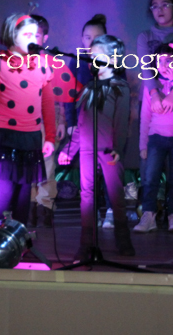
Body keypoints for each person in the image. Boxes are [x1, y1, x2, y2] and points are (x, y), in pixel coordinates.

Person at [58, 35, 135, 259]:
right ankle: (87, 242)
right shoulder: (88, 88)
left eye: (97, 55)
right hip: (87, 150)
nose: (92, 59)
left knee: (115, 193)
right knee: (87, 195)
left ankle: (123, 239)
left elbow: (121, 122)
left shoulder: (119, 87)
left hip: (108, 149)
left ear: (113, 59)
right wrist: (69, 150)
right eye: (90, 56)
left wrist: (117, 147)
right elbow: (82, 123)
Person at [0, 13, 55, 224]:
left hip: (30, 134)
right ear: (12, 35)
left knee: (25, 186)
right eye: (27, 34)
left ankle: (19, 233)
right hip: (5, 133)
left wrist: (50, 137)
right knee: (6, 184)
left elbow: (48, 104)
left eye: (35, 35)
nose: (32, 39)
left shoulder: (41, 64)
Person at [134, 42, 173, 233]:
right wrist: (143, 145)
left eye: (169, 60)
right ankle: (149, 215)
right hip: (156, 138)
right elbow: (145, 117)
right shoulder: (151, 86)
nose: (164, 64)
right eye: (160, 60)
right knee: (150, 178)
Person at [63, 14, 114, 227]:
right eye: (87, 37)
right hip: (84, 127)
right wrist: (71, 122)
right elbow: (68, 95)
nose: (92, 41)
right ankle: (92, 212)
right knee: (89, 175)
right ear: (82, 39)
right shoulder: (76, 61)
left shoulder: (114, 61)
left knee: (110, 171)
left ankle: (111, 210)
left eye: (97, 37)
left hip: (108, 128)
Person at [28, 14, 65, 227]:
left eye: (37, 34)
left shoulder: (53, 62)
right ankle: (30, 204)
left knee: (47, 163)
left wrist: (62, 121)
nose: (32, 38)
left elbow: (62, 94)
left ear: (45, 37)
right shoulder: (16, 61)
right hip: (24, 120)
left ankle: (45, 205)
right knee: (27, 162)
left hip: (48, 119)